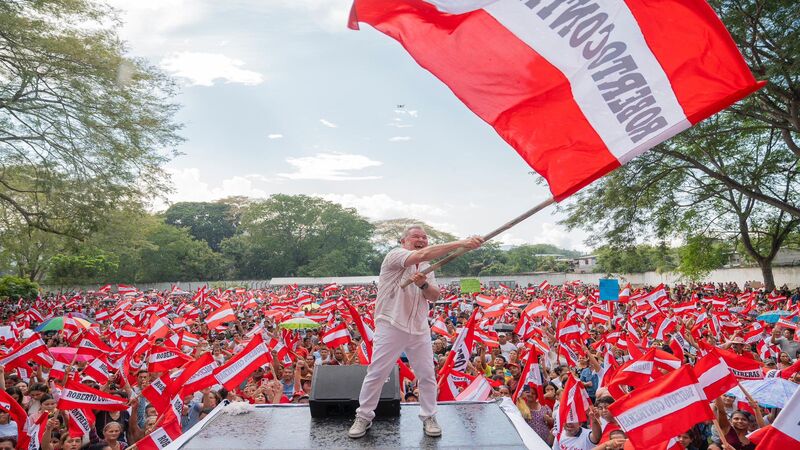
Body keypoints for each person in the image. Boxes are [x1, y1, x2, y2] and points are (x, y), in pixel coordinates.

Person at [348, 225, 482, 439]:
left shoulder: (428, 265)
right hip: (391, 324)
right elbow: (421, 254)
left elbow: (435, 295)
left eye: (424, 237)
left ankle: (429, 416)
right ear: (404, 241)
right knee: (377, 373)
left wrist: (423, 284)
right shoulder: (395, 256)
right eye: (415, 237)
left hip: (418, 328)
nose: (421, 239)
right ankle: (363, 416)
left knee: (427, 375)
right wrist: (462, 243)